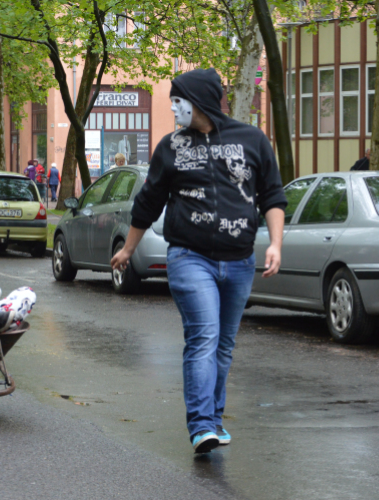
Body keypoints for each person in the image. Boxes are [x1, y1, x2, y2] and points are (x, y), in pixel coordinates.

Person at [110, 68, 286, 454]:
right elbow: (148, 203)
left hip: (239, 261)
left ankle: (215, 420)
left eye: (179, 99)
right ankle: (202, 425)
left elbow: (272, 196)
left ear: (200, 100)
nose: (174, 106)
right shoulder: (171, 146)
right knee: (204, 337)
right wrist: (127, 249)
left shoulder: (251, 139)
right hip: (190, 257)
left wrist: (275, 243)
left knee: (223, 344)